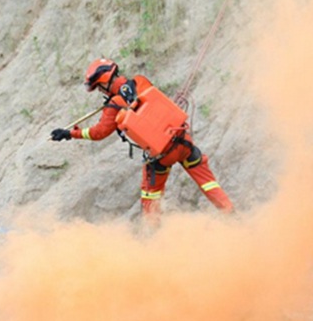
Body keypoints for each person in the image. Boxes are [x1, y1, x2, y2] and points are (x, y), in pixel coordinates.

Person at [50, 58, 234, 221]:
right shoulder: (141, 81)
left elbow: (99, 133)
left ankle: (154, 237)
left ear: (104, 83)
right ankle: (230, 213)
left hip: (161, 156)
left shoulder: (114, 105)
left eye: (99, 87)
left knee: (151, 197)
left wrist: (70, 134)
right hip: (183, 141)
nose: (100, 91)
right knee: (208, 182)